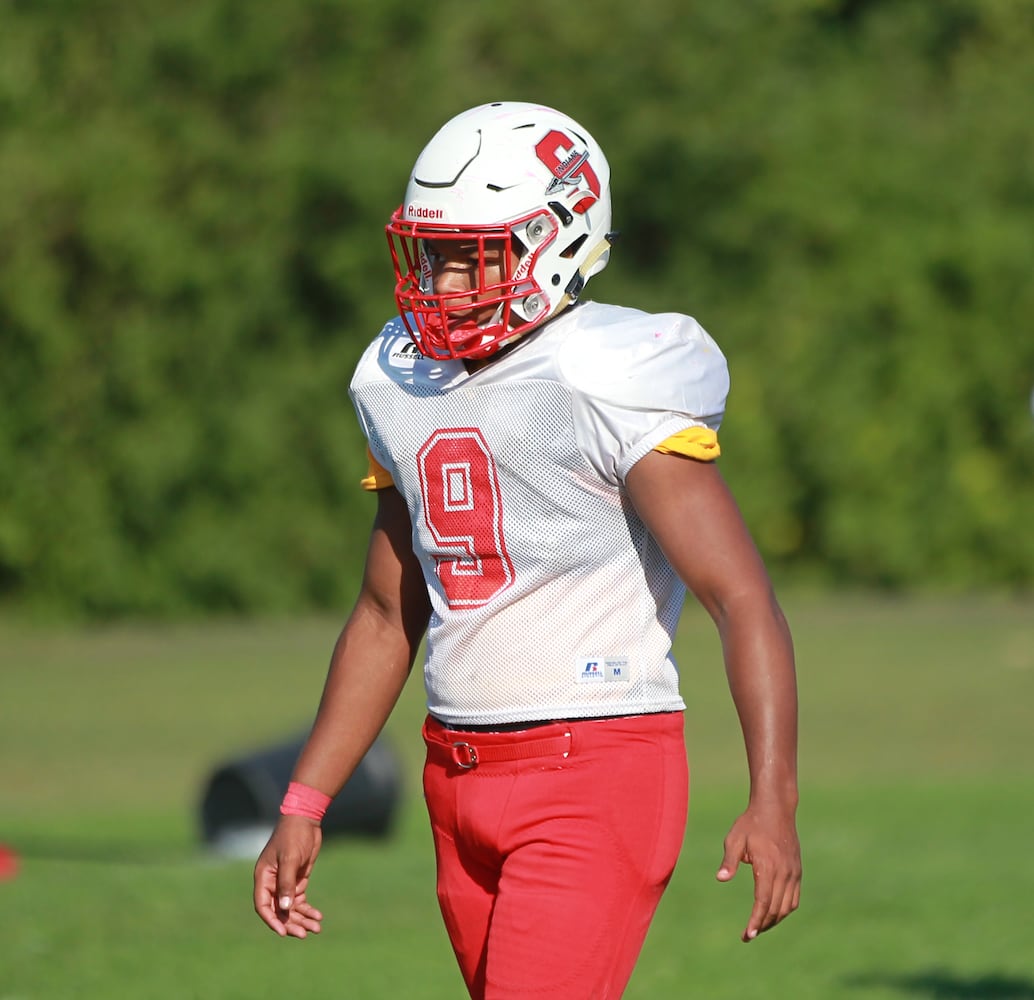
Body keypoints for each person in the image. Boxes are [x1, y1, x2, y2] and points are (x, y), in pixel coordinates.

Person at [253, 101, 801, 998]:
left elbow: (743, 600)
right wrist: (305, 799)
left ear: (560, 242)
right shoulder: (399, 379)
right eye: (433, 252)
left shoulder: (608, 376)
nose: (447, 280)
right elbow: (389, 613)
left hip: (594, 771)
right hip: (453, 776)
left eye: (475, 252)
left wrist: (772, 796)